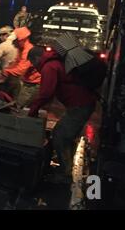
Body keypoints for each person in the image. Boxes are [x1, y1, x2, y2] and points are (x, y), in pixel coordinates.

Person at [27, 46, 96, 184]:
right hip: (82, 103)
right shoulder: (55, 62)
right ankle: (66, 164)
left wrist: (32, 110)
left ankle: (65, 175)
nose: (34, 66)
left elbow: (46, 93)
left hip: (79, 106)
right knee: (64, 134)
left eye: (33, 63)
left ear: (36, 58)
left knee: (60, 136)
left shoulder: (49, 67)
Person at [0, 27, 41, 107]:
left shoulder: (29, 51)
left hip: (34, 84)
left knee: (19, 106)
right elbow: (16, 63)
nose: (13, 43)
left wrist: (5, 72)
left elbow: (21, 70)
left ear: (23, 40)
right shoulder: (21, 49)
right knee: (17, 103)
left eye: (15, 41)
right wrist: (7, 69)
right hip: (27, 81)